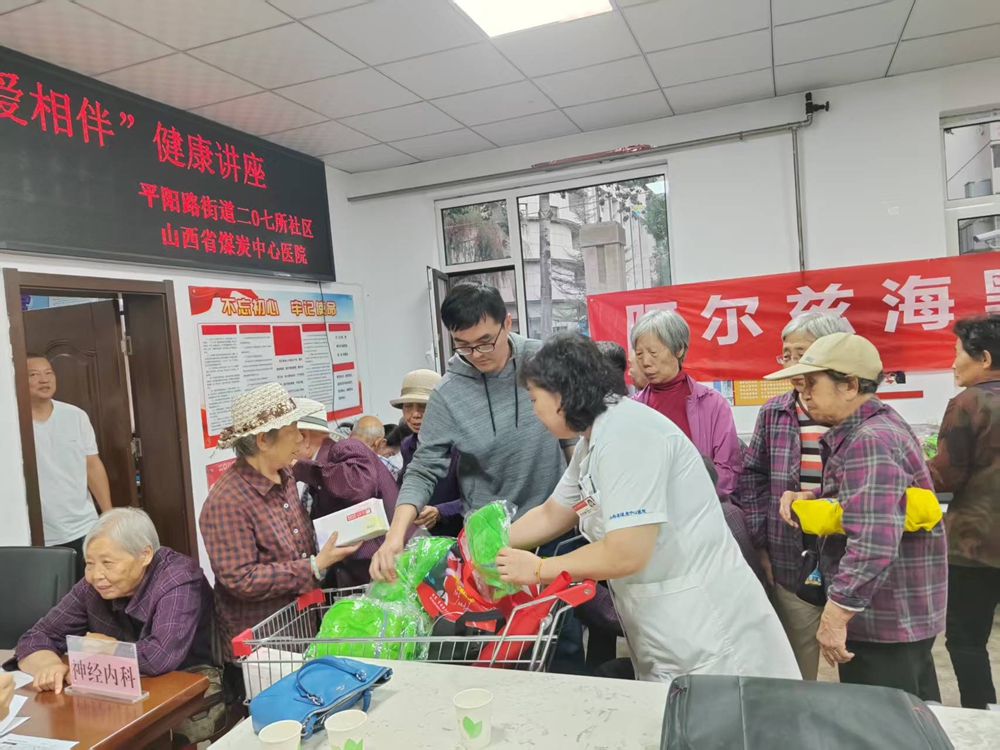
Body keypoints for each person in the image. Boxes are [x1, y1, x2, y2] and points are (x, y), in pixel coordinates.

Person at [495, 333, 799, 683]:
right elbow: (553, 513)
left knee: (722, 711)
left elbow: (625, 553)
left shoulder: (628, 435)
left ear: (561, 395)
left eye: (535, 399)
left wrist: (538, 569)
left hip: (705, 623)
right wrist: (484, 543)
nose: (534, 411)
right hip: (663, 618)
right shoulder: (594, 438)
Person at [768, 333, 947, 701]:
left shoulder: (870, 439)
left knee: (884, 720)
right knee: (911, 712)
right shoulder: (874, 428)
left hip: (883, 618)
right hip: (893, 613)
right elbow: (873, 502)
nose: (803, 394)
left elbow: (873, 542)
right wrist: (813, 496)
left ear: (850, 385)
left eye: (812, 383)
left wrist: (835, 617)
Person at [371, 283, 571, 581]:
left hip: (558, 524)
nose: (476, 354)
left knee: (564, 610)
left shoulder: (543, 360)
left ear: (507, 323)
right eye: (463, 345)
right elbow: (423, 469)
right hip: (491, 541)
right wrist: (395, 535)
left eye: (485, 342)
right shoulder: (448, 394)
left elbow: (571, 434)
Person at [200, 384, 361, 703]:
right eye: (293, 431)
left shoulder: (285, 473)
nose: (302, 439)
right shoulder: (227, 502)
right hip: (263, 647)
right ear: (263, 440)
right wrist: (312, 567)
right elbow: (240, 579)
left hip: (301, 627)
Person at [736, 312, 851, 680]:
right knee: (794, 666)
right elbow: (753, 476)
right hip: (789, 553)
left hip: (849, 556)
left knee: (858, 664)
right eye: (786, 355)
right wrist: (761, 544)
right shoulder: (775, 412)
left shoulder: (857, 415)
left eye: (802, 354)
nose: (792, 364)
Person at [13, 508, 213, 690]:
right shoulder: (94, 584)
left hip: (188, 682)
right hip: (119, 688)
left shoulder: (178, 577)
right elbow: (36, 637)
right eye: (89, 563)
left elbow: (159, 656)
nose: (95, 575)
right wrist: (49, 666)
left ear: (145, 554)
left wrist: (108, 649)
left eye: (108, 563)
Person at [928, 315, 1000, 709]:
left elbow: (946, 475)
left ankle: (983, 716)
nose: (953, 363)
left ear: (984, 358)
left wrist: (908, 467)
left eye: (957, 353)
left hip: (976, 544)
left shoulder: (969, 403)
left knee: (967, 639)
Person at [630, 310, 742, 495]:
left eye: (653, 352)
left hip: (702, 503)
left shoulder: (712, 403)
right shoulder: (633, 409)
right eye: (639, 354)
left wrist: (692, 496)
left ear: (679, 349)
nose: (646, 362)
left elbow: (728, 469)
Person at [293, 415, 405, 588]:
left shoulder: (345, 446)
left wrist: (299, 467)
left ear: (304, 437)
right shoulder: (327, 460)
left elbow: (359, 485)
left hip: (384, 562)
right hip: (363, 568)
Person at [28, 353, 113, 581]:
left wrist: (107, 514)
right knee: (52, 595)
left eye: (49, 373)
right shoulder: (13, 422)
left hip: (84, 526)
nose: (44, 379)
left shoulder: (75, 415)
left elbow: (92, 465)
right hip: (40, 532)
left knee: (94, 588)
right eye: (33, 375)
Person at [393, 369, 462, 537]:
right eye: (408, 406)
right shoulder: (407, 445)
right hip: (427, 537)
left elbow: (479, 497)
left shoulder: (461, 446)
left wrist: (440, 511)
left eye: (424, 406)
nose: (415, 414)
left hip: (463, 534)